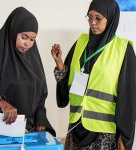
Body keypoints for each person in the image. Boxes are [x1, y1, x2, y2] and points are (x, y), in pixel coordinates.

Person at [51, 0, 136, 149]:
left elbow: (129, 96)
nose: (92, 22)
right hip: (75, 129)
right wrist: (59, 64)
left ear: (110, 18)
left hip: (104, 134)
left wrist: (125, 136)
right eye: (89, 17)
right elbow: (66, 86)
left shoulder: (123, 49)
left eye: (98, 18)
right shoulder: (81, 43)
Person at [0, 7, 55, 136]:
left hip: (28, 132)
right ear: (13, 31)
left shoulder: (33, 59)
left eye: (32, 39)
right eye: (24, 37)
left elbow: (41, 94)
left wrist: (40, 119)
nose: (28, 44)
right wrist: (0, 102)